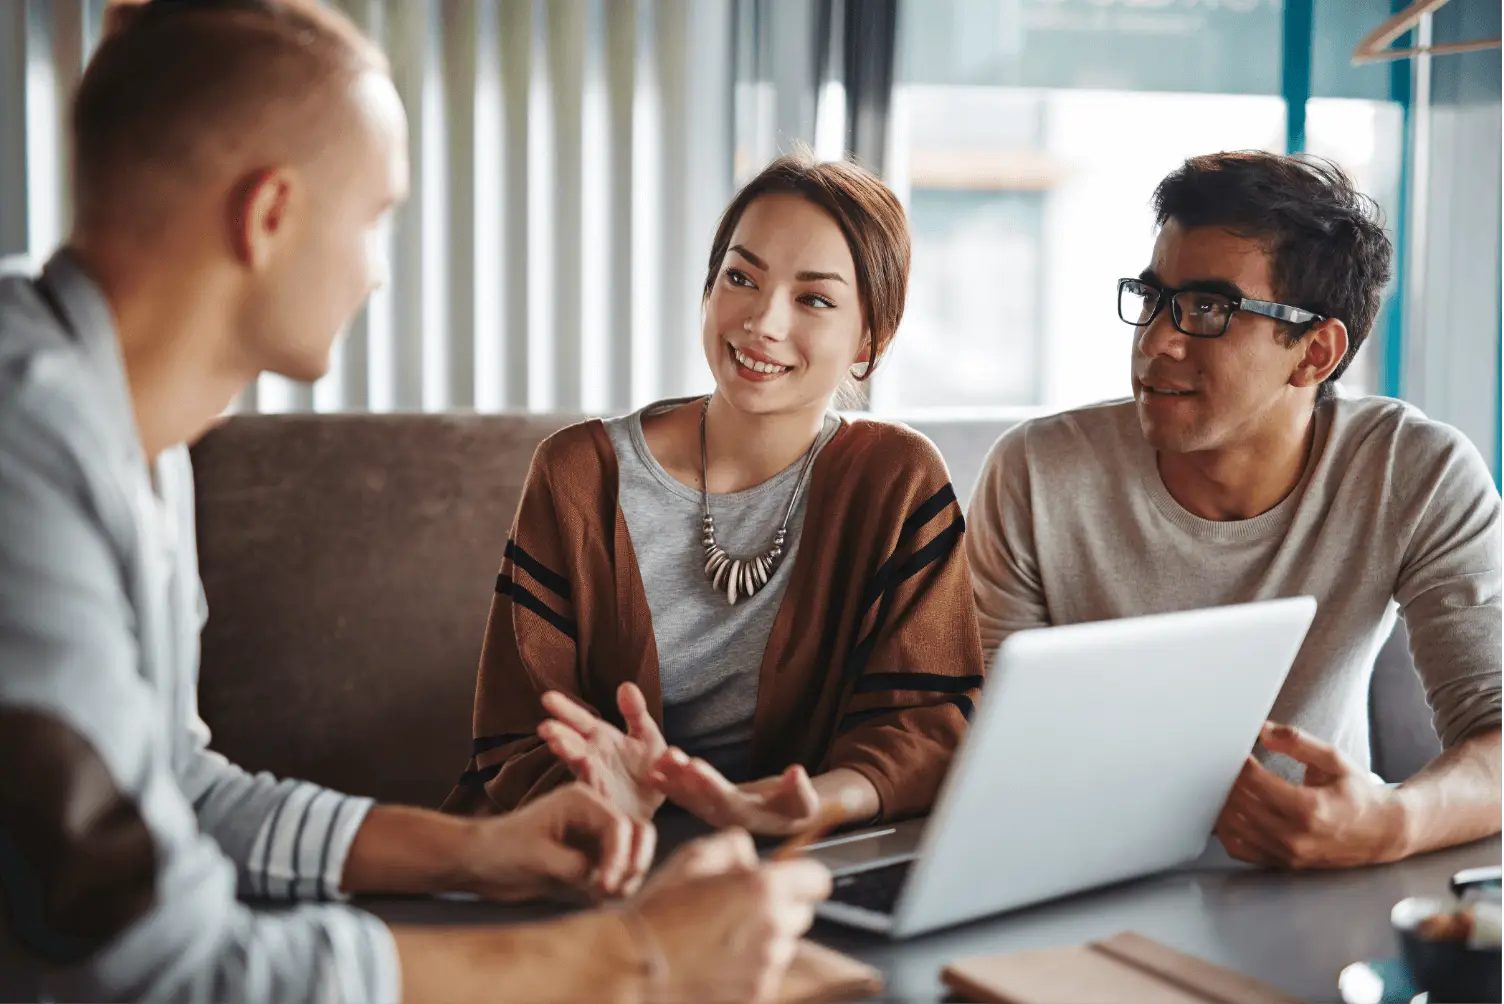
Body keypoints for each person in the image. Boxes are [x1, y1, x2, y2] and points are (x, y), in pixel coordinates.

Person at [0, 2, 830, 1002]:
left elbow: (171, 791)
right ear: (269, 215)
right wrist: (629, 958)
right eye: (375, 217)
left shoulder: (129, 433)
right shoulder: (25, 451)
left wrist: (472, 851)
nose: (380, 272)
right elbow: (155, 965)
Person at [966, 151, 1502, 870]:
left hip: (1318, 883)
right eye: (1152, 298)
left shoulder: (1414, 472)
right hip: (1073, 876)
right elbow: (989, 745)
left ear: (1314, 353)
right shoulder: (1035, 472)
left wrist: (1392, 822)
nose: (1156, 340)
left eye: (1210, 310)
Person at [443, 155, 985, 836]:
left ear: (870, 338)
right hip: (584, 857)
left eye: (813, 298)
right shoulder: (579, 473)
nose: (763, 321)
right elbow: (517, 729)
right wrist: (613, 802)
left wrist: (813, 803)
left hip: (796, 863)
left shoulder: (897, 480)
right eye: (741, 277)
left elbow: (928, 726)